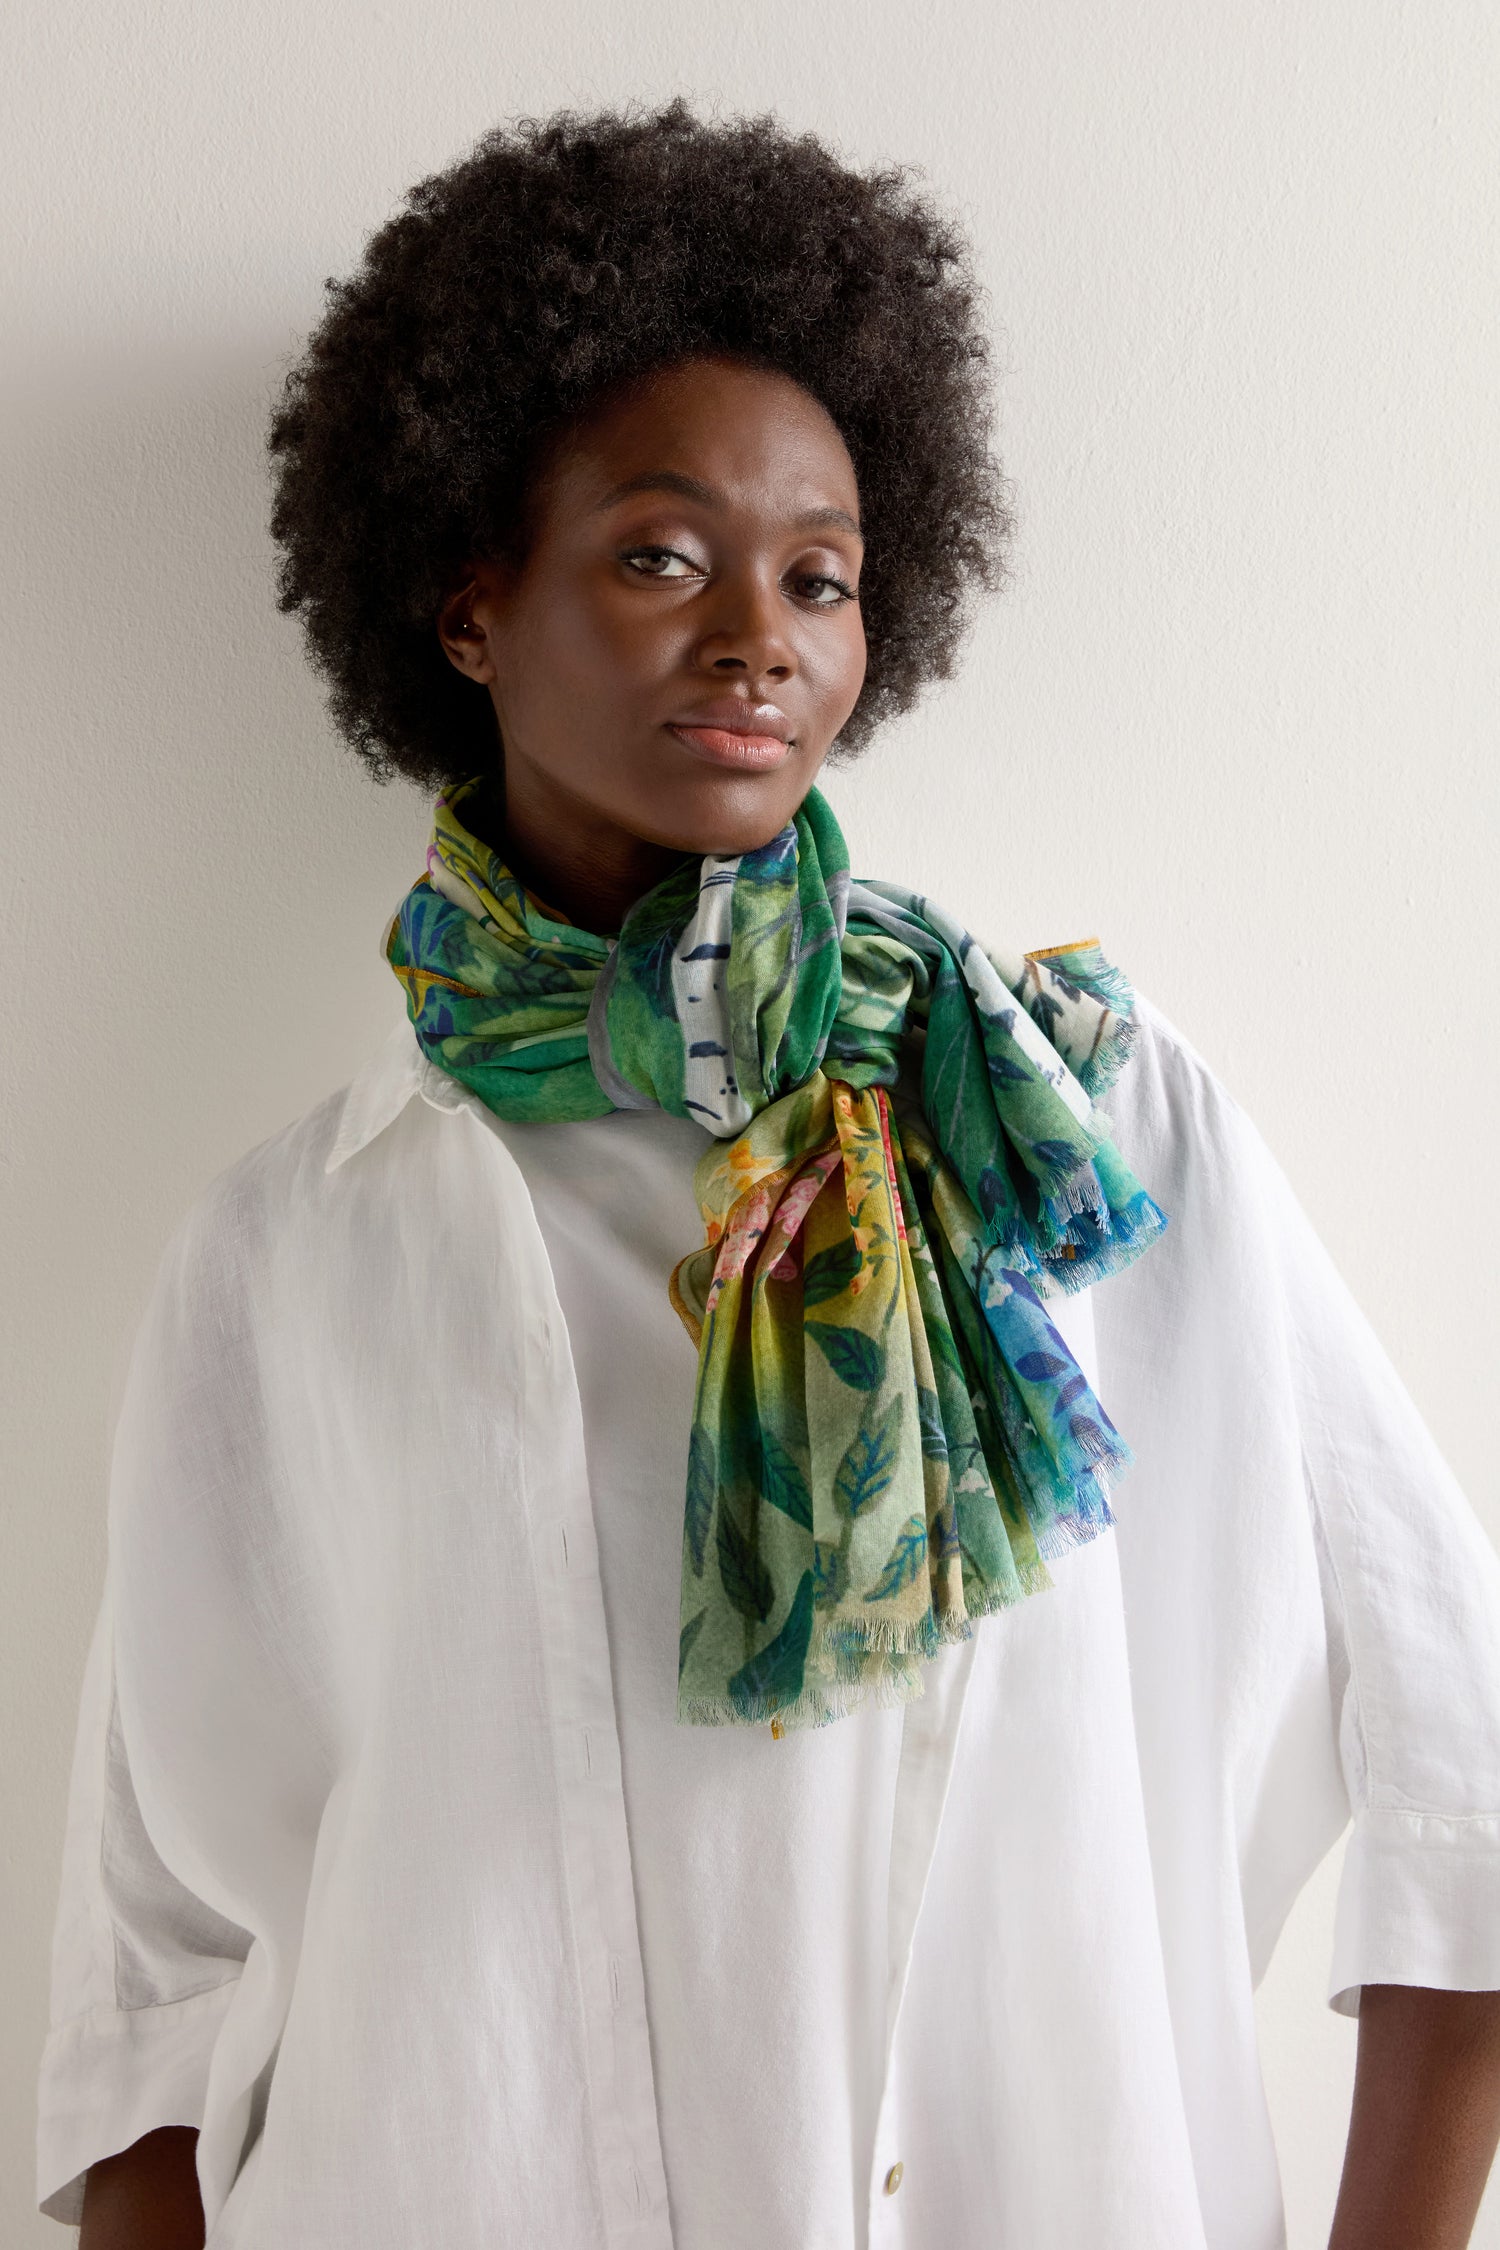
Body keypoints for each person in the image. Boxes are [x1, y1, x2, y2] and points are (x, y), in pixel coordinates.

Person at [35, 101, 1500, 2250]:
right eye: (661, 556)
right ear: (469, 602)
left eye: (819, 576)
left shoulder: (1076, 1121)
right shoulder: (297, 1248)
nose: (760, 636)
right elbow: (147, 1988)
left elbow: (1460, 1764)